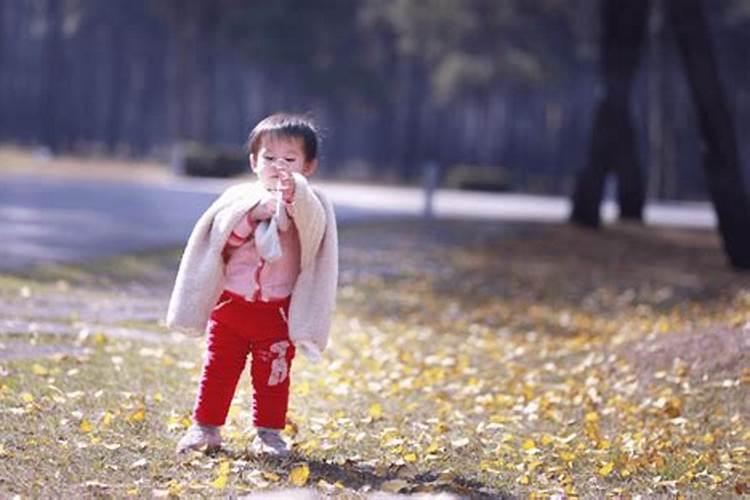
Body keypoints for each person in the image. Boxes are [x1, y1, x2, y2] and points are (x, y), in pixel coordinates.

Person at [166, 113, 338, 457]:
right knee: (218, 369)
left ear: (309, 166)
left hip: (277, 312)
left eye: (290, 160)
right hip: (231, 306)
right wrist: (250, 218)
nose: (279, 167)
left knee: (273, 374)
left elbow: (314, 235)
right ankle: (205, 428)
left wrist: (293, 201)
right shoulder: (240, 199)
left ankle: (269, 435)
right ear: (253, 162)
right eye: (269, 158)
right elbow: (219, 243)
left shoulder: (311, 205)